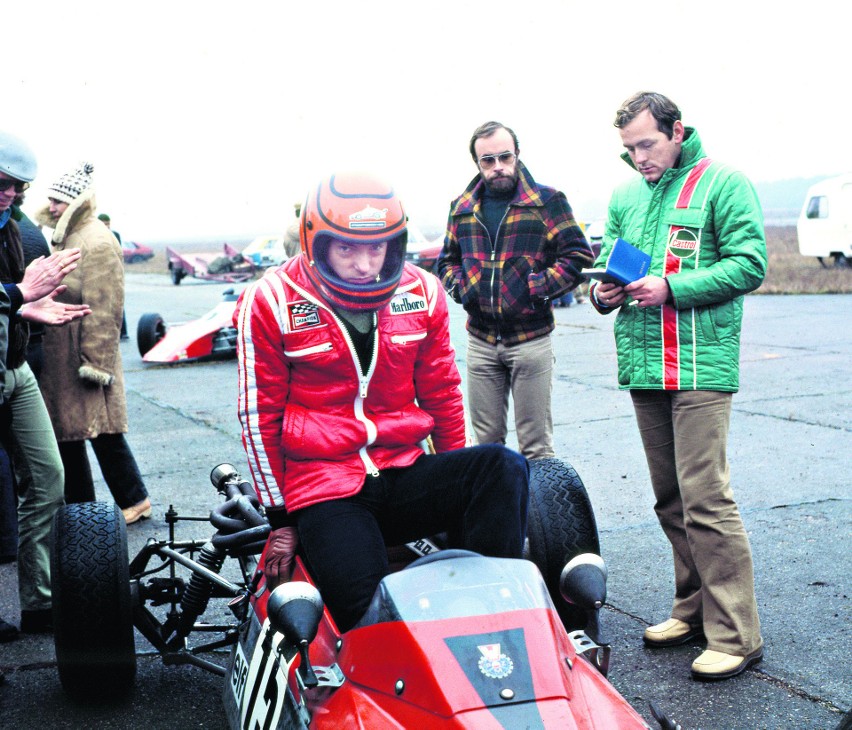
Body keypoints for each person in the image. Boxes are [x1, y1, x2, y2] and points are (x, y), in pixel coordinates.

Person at [235, 172, 529, 633]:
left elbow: (442, 392)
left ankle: (496, 612)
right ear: (316, 241)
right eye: (347, 248)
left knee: (501, 466)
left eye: (376, 248)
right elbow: (258, 417)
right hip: (325, 486)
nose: (364, 264)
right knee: (371, 620)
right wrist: (281, 520)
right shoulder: (270, 299)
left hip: (402, 470)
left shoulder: (421, 290)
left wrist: (460, 498)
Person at [590, 92, 766, 681]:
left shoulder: (724, 183)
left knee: (706, 498)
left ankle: (736, 635)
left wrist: (673, 287)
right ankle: (690, 611)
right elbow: (614, 269)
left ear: (676, 131)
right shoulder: (625, 196)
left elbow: (750, 264)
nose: (639, 157)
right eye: (629, 148)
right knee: (670, 499)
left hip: (699, 365)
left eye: (647, 143)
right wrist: (604, 294)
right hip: (645, 365)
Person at [436, 121, 593, 460]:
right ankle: (499, 514)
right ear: (477, 163)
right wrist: (463, 289)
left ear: (517, 155)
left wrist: (537, 288)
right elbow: (447, 261)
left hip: (531, 341)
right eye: (487, 160)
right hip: (480, 343)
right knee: (487, 448)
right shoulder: (462, 208)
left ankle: (539, 513)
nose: (498, 167)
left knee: (536, 447)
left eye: (504, 157)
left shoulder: (547, 201)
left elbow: (577, 256)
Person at [0, 131, 90, 636]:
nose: (8, 194)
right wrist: (17, 293)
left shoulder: (16, 233)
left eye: (16, 187)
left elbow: (15, 301)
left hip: (14, 370)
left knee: (49, 475)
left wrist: (27, 309)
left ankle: (39, 600)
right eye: (0, 183)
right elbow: (12, 294)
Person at [35, 162, 151, 524]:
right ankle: (85, 507)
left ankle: (131, 502)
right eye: (51, 200)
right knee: (73, 432)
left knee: (100, 432)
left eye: (58, 201)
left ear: (74, 203)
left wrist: (96, 363)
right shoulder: (70, 236)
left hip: (81, 354)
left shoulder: (95, 241)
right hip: (64, 353)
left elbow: (106, 308)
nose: (51, 207)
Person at [97, 212, 128, 339]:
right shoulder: (95, 236)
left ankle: (123, 332)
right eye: (104, 224)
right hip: (99, 273)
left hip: (113, 272)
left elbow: (118, 254)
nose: (107, 226)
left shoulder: (115, 235)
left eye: (108, 224)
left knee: (118, 302)